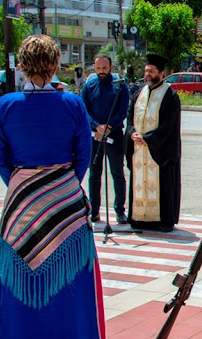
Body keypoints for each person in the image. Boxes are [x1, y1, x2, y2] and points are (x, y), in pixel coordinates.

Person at [0, 35, 105, 339]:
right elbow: (84, 154)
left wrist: (25, 186)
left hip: (21, 202)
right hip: (65, 198)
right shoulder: (72, 104)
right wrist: (61, 184)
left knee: (19, 285)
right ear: (54, 67)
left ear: (20, 66)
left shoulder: (5, 105)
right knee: (69, 288)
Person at [125, 53, 182, 233]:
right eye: (146, 71)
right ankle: (139, 219)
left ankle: (163, 221)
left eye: (151, 71)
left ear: (161, 73)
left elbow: (169, 125)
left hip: (159, 151)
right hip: (138, 150)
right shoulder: (138, 93)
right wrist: (131, 133)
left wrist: (148, 139)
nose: (147, 74)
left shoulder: (170, 95)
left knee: (161, 184)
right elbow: (129, 118)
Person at [82, 54, 130, 223]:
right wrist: (97, 126)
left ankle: (119, 210)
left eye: (105, 68)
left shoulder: (120, 86)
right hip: (94, 135)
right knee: (94, 174)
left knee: (117, 173)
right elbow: (84, 111)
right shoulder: (89, 86)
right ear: (94, 68)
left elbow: (123, 111)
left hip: (114, 133)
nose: (102, 72)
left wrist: (108, 127)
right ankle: (94, 211)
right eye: (98, 68)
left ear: (111, 67)